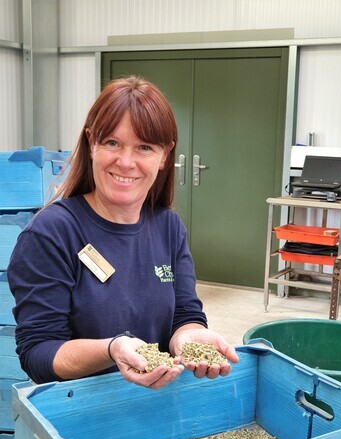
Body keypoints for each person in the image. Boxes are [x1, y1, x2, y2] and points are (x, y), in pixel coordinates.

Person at [8, 76, 239, 389]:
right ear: (92, 144)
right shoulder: (52, 233)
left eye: (144, 147)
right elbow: (39, 353)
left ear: (164, 156)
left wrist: (189, 337)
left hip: (156, 405)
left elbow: (184, 314)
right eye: (113, 143)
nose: (126, 162)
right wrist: (111, 348)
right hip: (80, 416)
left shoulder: (168, 227)